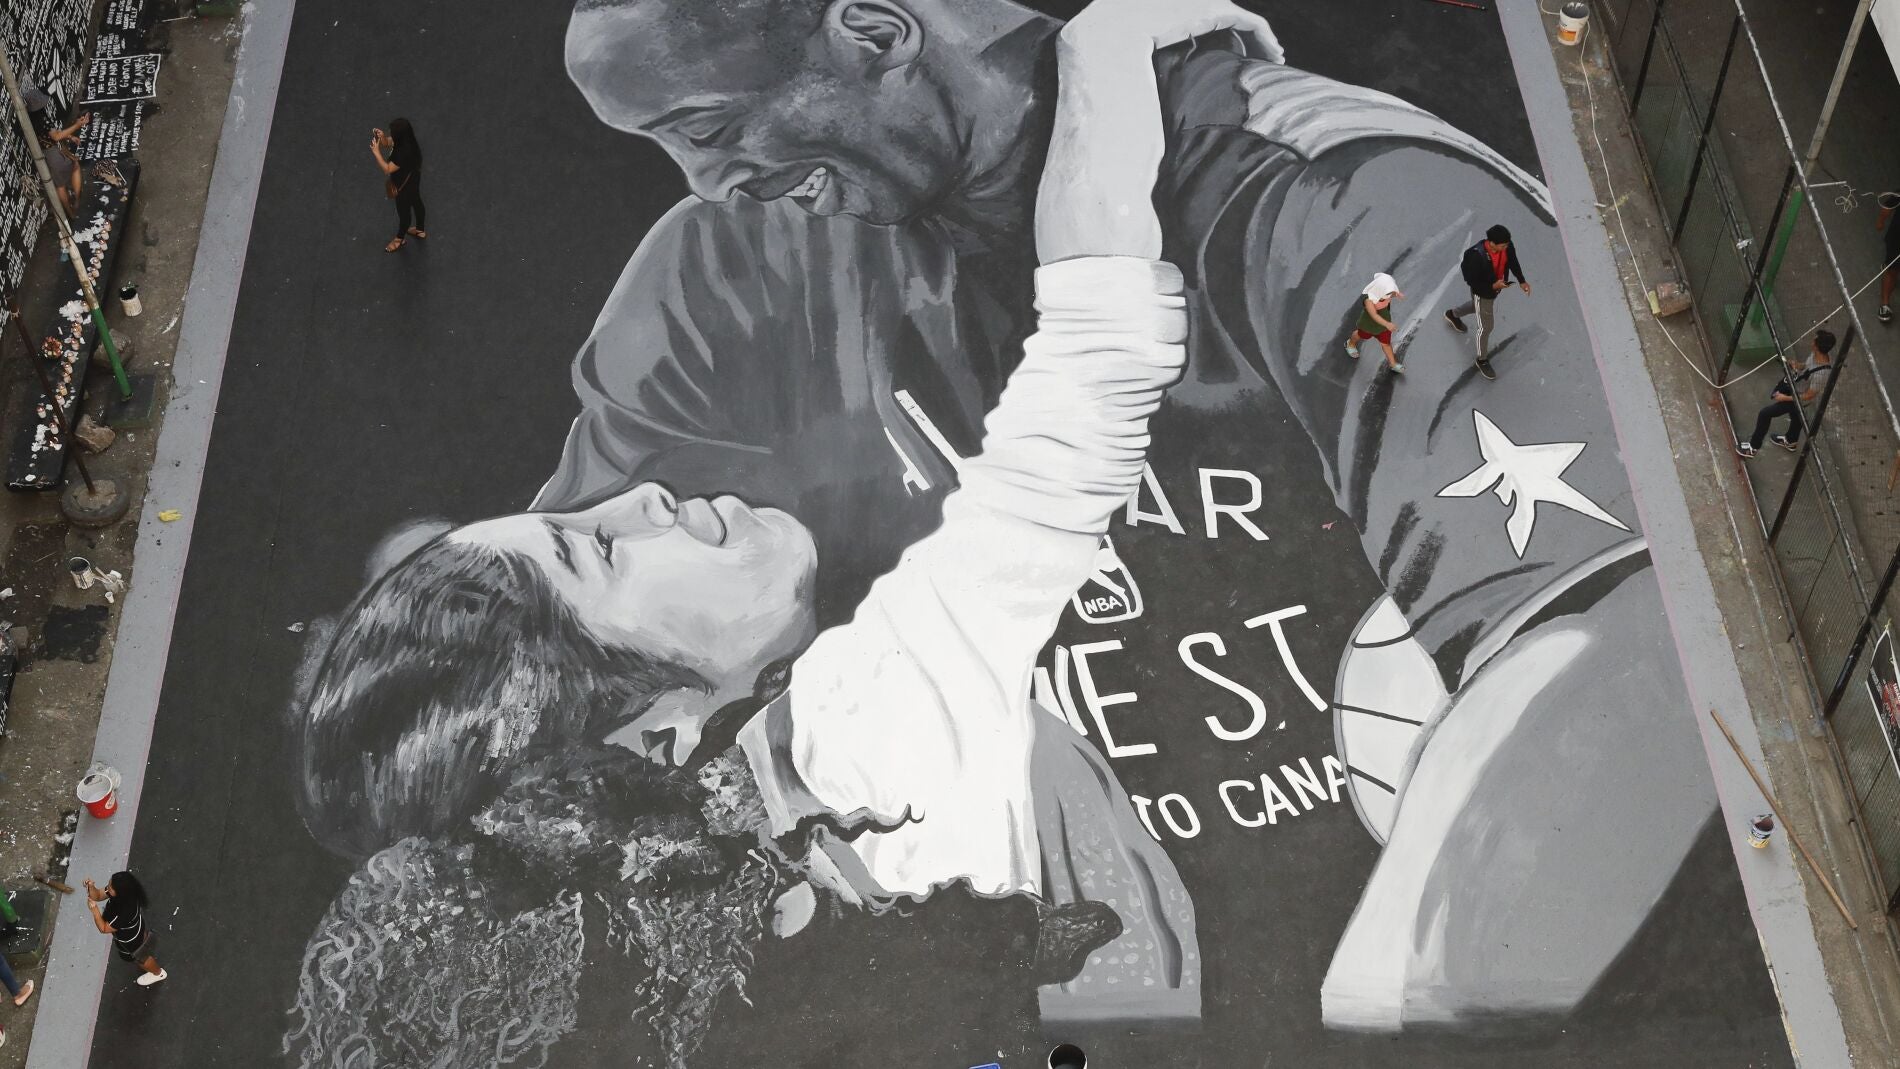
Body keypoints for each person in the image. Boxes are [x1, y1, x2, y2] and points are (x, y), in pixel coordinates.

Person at [543, 0, 1703, 1040]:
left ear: (877, 32)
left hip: (1399, 950)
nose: (705, 181)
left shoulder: (1344, 192)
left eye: (708, 128)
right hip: (1100, 986)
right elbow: (550, 672)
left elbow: (1626, 641)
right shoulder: (718, 281)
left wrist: (1403, 1013)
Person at [287, 7, 1225, 1063]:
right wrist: (1104, 49)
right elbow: (1091, 371)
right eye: (600, 549)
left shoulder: (689, 938)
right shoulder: (857, 729)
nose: (640, 499)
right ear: (659, 736)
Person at [1444, 223, 1530, 379]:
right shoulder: (1475, 256)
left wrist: (1522, 280)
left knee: (1477, 307)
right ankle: (1482, 359)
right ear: (1492, 243)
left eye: (1507, 245)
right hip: (1482, 293)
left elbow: (1513, 261)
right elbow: (1472, 282)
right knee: (1486, 327)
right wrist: (1492, 286)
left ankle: (1452, 314)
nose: (1506, 248)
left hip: (1494, 290)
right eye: (1503, 246)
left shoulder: (1506, 246)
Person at [1738, 329, 1835, 458]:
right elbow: (1806, 366)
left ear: (1817, 346)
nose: (1812, 341)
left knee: (1765, 414)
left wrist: (1785, 398)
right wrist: (1796, 365)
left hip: (1799, 399)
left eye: (1814, 340)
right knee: (1796, 417)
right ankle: (1791, 441)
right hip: (1797, 388)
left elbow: (1808, 396)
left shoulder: (1821, 375)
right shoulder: (1816, 355)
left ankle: (1753, 447)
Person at [84, 872, 166, 986]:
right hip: (131, 931)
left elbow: (104, 928)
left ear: (121, 892)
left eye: (111, 887)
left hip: (131, 938)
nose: (108, 888)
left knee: (141, 958)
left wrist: (95, 911)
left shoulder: (125, 911)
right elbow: (97, 895)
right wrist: (91, 887)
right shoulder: (124, 893)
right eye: (109, 884)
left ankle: (158, 973)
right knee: (138, 954)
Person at [370, 117, 426, 253]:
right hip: (413, 179)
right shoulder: (408, 141)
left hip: (403, 186)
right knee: (417, 202)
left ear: (399, 135)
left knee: (404, 213)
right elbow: (389, 143)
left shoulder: (403, 154)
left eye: (392, 132)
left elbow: (387, 169)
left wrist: (376, 153)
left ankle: (399, 239)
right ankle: (420, 230)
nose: (390, 133)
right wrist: (383, 137)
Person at [1345, 271, 1405, 373]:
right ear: (1379, 290)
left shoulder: (1385, 294)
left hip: (1383, 327)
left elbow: (1391, 293)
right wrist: (1387, 324)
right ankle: (1350, 343)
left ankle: (1393, 364)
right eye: (1389, 294)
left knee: (1386, 344)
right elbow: (1374, 315)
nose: (1390, 296)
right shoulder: (1369, 300)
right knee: (1360, 334)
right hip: (1369, 325)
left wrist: (1397, 294)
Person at [1877, 190, 1897, 324]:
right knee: (1892, 271)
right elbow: (1888, 206)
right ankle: (1885, 304)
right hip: (1897, 241)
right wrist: (1880, 221)